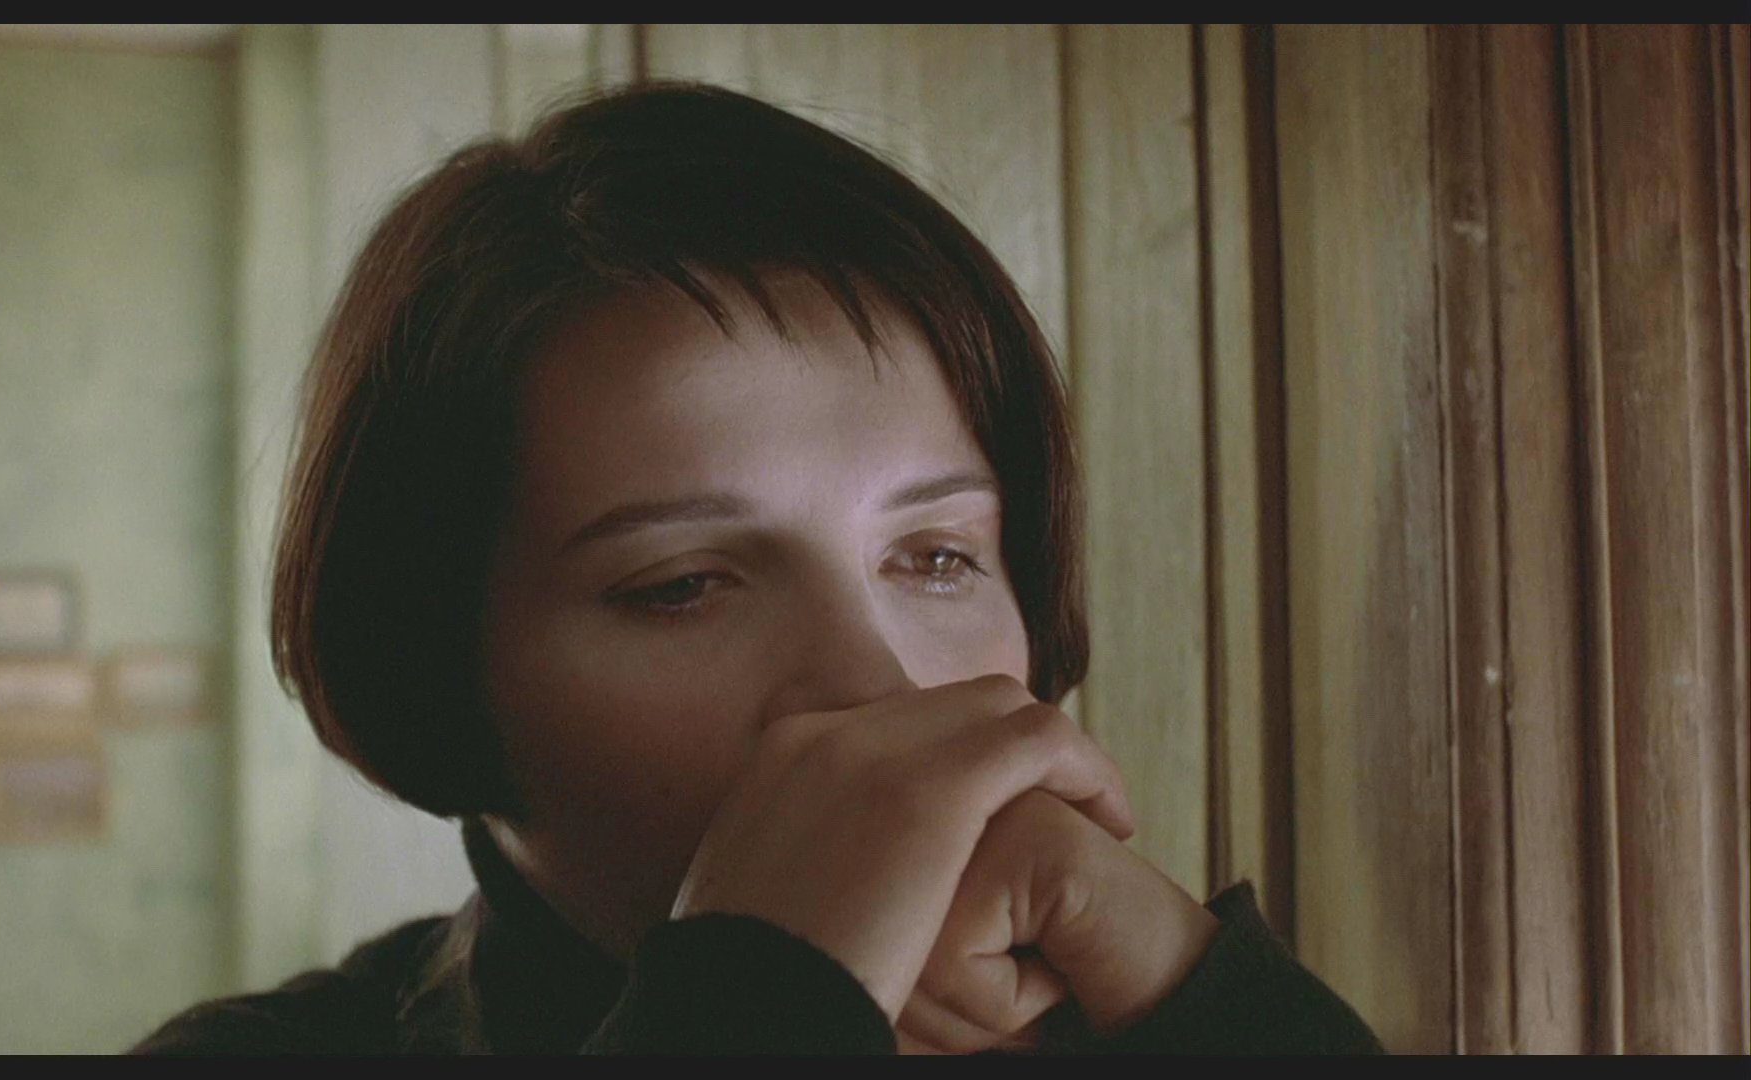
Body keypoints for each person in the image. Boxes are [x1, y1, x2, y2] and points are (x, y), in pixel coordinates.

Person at [134, 80, 1383, 1055]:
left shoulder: (1147, 1005)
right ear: (443, 665)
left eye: (937, 557)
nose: (874, 685)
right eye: (682, 586)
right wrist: (760, 1003)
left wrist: (1196, 995)